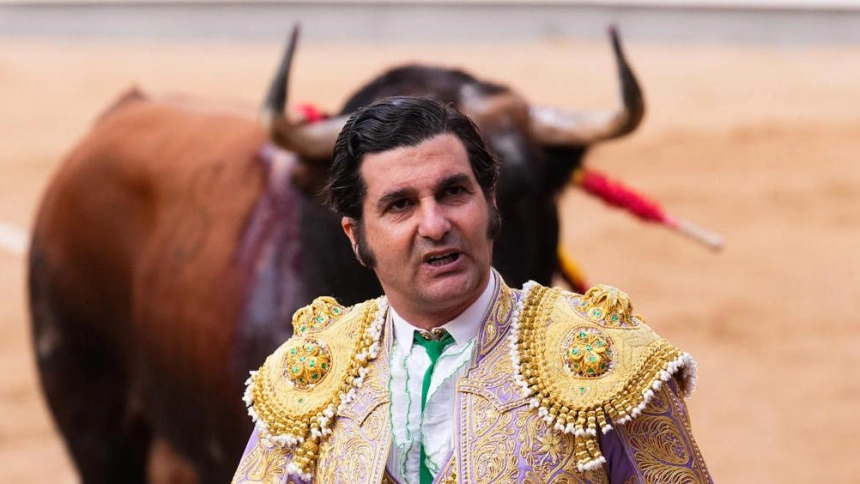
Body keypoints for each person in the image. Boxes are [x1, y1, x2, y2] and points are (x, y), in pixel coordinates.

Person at [232, 96, 712, 483]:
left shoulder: (606, 360)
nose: (436, 225)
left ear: (491, 205)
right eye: (400, 205)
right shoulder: (308, 378)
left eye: (454, 192)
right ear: (356, 238)